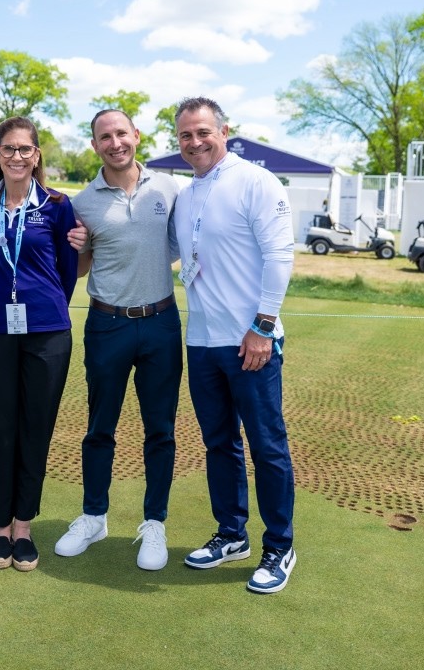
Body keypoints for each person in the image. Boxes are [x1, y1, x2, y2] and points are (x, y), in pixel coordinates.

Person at [170, 96, 297, 594]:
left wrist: (263, 326)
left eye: (203, 132)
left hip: (251, 341)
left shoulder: (256, 181)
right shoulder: (187, 194)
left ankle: (280, 546)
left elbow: (280, 254)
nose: (195, 142)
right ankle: (231, 534)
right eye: (185, 135)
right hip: (202, 341)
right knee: (219, 444)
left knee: (267, 447)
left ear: (225, 132)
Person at [53, 109, 184, 571]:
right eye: (104, 137)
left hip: (161, 322)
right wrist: (77, 247)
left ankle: (155, 522)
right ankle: (94, 516)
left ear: (137, 136)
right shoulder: (82, 202)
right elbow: (80, 267)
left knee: (160, 430)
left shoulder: (169, 188)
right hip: (107, 324)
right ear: (95, 146)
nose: (115, 143)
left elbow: (180, 244)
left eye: (121, 134)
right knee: (99, 427)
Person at [0, 116, 78, 572]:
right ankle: (0, 526)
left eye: (25, 149)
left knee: (36, 427)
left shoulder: (57, 205)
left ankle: (23, 526)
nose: (17, 156)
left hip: (48, 332)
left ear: (36, 157)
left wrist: (46, 306)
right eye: (8, 149)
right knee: (0, 428)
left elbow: (68, 269)